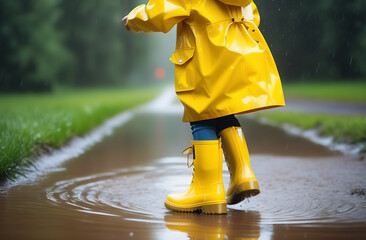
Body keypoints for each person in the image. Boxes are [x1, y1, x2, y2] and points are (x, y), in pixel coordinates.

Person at [122, 0, 285, 214]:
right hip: (236, 61)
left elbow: (162, 10)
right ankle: (243, 174)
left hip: (205, 59)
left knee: (201, 117)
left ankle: (207, 189)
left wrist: (135, 17)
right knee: (223, 113)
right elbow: (253, 17)